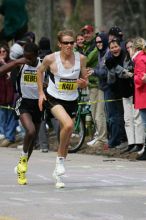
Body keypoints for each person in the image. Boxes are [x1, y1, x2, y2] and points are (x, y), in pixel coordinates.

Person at [37, 29, 88, 188]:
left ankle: (57, 173)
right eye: (66, 43)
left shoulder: (81, 58)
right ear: (59, 44)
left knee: (66, 139)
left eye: (72, 42)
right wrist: (40, 93)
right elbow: (39, 72)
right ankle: (60, 161)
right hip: (53, 98)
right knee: (68, 125)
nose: (69, 45)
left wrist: (83, 83)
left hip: (71, 99)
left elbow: (85, 80)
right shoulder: (50, 59)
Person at [0, 42, 43, 185]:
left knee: (32, 140)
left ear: (36, 55)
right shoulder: (21, 63)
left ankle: (21, 168)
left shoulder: (42, 64)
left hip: (38, 104)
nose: (27, 60)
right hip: (23, 102)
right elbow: (2, 70)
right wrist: (18, 61)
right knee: (30, 131)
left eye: (29, 58)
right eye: (25, 56)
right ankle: (22, 163)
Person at [0, 42, 18, 146]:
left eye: (4, 51)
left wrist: (3, 63)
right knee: (1, 116)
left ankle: (9, 137)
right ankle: (2, 135)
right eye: (0, 51)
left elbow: (11, 75)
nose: (2, 53)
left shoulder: (11, 63)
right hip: (1, 95)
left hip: (10, 94)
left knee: (11, 116)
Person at [132, 37, 146, 160]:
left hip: (143, 95)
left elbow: (141, 79)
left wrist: (134, 77)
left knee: (145, 124)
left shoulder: (140, 59)